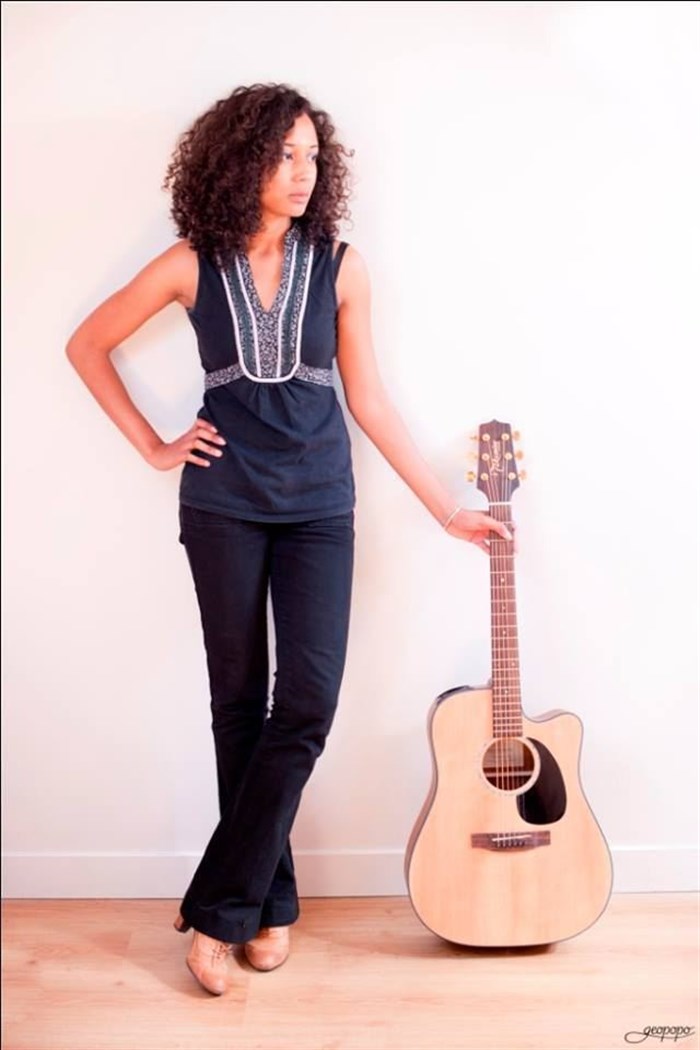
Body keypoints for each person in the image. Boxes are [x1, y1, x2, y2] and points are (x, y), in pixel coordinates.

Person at [65, 82, 512, 997]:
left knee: (305, 702)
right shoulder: (190, 263)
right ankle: (268, 904)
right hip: (221, 503)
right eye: (283, 154)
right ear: (239, 161)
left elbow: (368, 398)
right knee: (237, 705)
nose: (302, 172)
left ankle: (217, 909)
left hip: (318, 508)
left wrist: (444, 509)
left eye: (312, 155)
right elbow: (87, 344)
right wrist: (154, 444)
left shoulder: (342, 267)